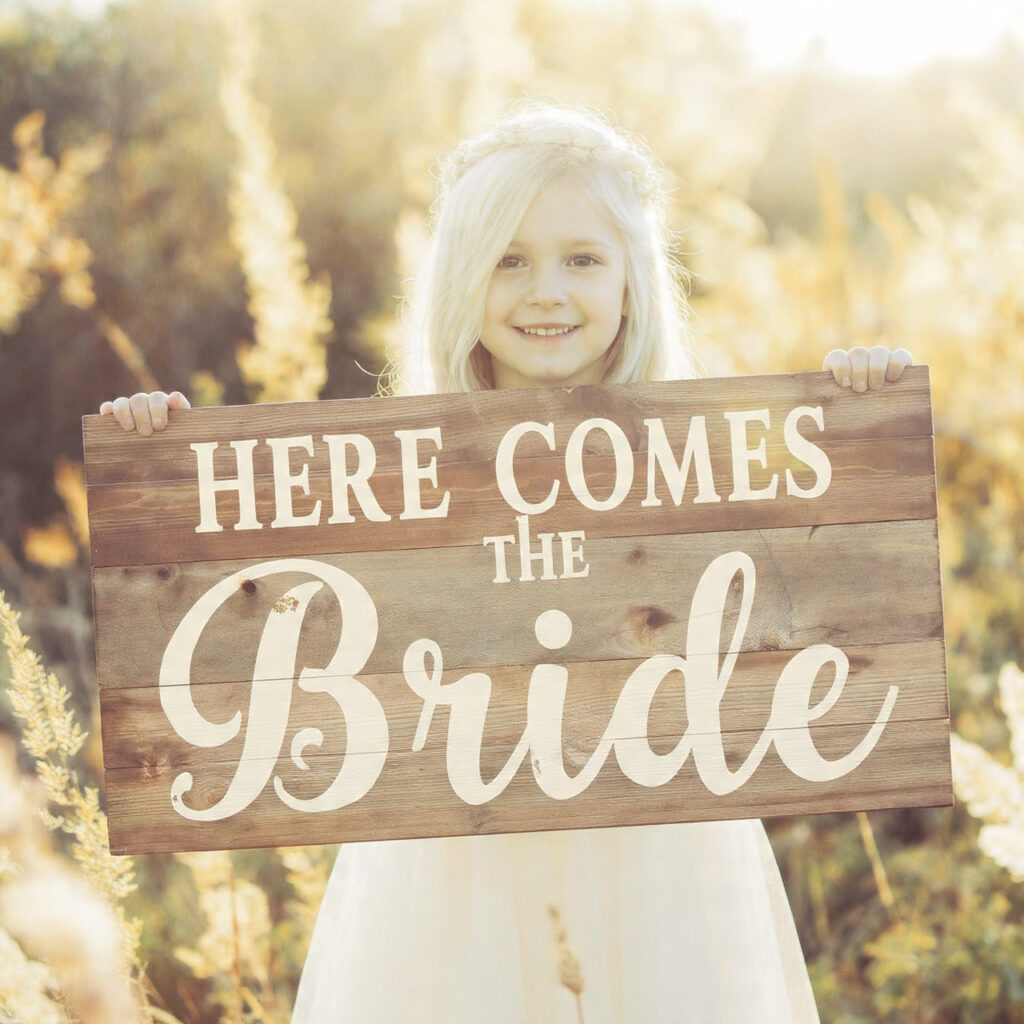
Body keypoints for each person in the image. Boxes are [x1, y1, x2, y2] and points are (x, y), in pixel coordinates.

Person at [102, 103, 912, 1023]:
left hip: (660, 847)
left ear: (631, 281)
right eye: (509, 259)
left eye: (582, 258)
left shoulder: (699, 457)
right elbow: (250, 586)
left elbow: (822, 561)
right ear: (462, 280)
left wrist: (862, 404)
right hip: (453, 853)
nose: (546, 293)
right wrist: (159, 462)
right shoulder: (389, 472)